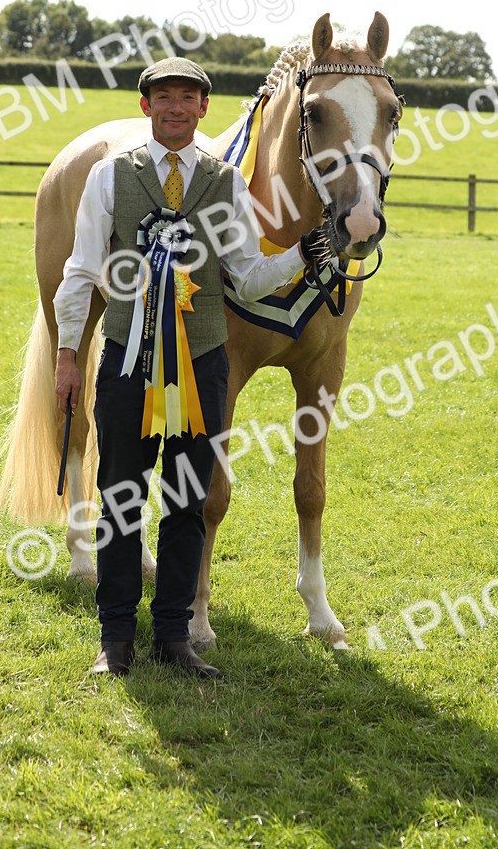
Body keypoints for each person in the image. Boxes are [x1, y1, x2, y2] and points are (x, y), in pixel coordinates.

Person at [54, 58, 324, 679]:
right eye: (163, 97)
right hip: (126, 363)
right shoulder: (107, 176)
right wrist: (69, 355)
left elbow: (247, 276)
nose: (175, 107)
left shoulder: (226, 184)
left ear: (204, 108)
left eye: (187, 97)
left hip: (201, 366)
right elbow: (81, 270)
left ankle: (173, 636)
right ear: (145, 106)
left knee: (186, 500)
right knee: (121, 499)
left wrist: (301, 257)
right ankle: (115, 639)